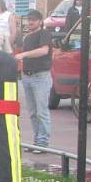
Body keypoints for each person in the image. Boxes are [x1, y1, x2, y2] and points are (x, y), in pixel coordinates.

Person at [15, 9, 52, 152]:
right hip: (27, 76)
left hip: (40, 76)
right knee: (32, 111)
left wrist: (24, 55)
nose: (30, 22)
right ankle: (37, 140)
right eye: (29, 19)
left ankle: (43, 142)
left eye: (34, 20)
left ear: (40, 21)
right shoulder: (27, 36)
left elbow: (44, 50)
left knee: (42, 111)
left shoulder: (44, 34)